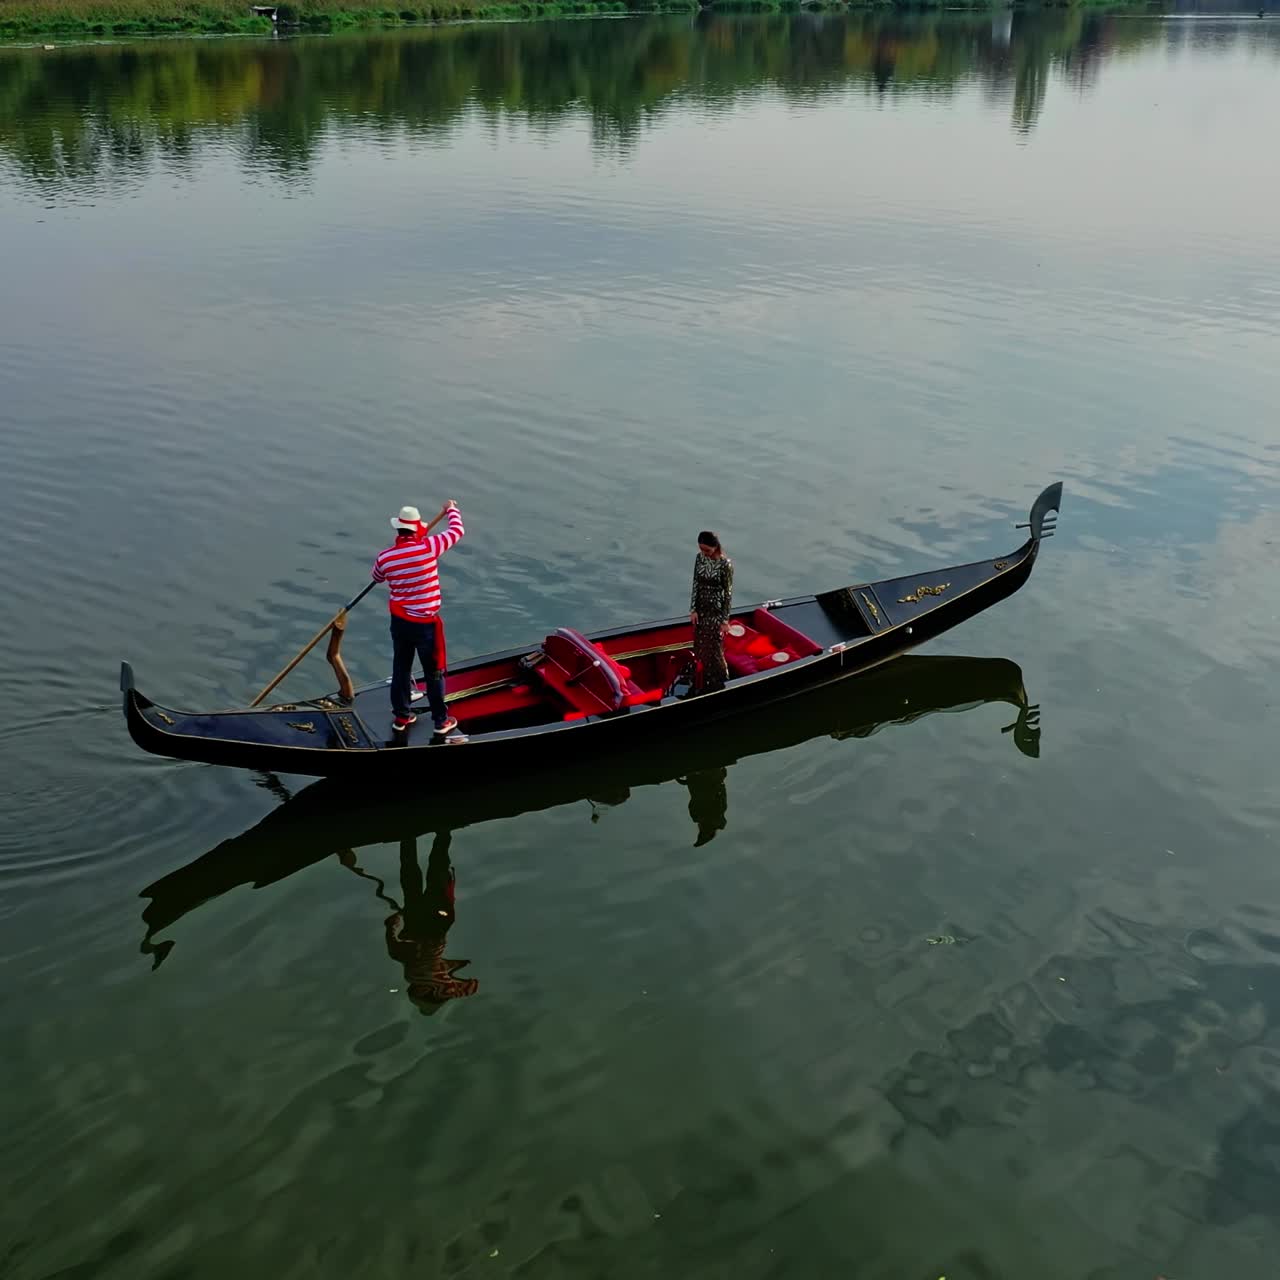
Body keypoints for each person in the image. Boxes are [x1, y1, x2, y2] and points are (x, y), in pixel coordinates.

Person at [372, 500, 465, 733]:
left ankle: (402, 717)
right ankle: (441, 721)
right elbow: (457, 530)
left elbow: (377, 577)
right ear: (416, 528)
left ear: (398, 529)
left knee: (401, 668)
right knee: (433, 673)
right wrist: (451, 509)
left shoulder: (385, 557)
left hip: (400, 623)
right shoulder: (429, 547)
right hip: (425, 625)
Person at [689, 530, 733, 693]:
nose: (704, 553)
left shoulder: (725, 564)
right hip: (701, 609)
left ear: (715, 547)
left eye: (707, 550)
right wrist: (693, 609)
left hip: (716, 610)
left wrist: (725, 621)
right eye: (702, 549)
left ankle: (722, 681)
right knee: (700, 646)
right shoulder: (699, 558)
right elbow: (695, 583)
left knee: (715, 648)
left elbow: (727, 593)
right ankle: (702, 678)